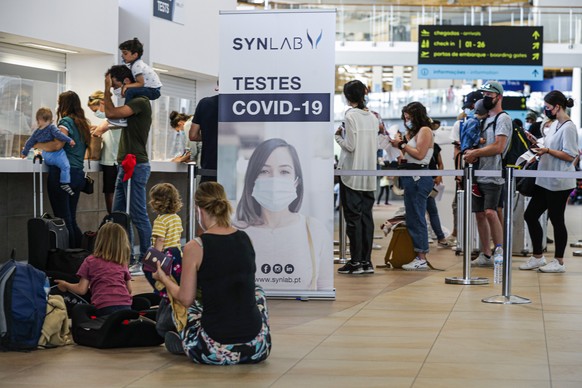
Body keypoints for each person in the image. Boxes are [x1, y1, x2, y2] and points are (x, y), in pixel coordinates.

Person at [152, 182, 271, 364]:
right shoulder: (245, 239)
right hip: (257, 347)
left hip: (214, 350)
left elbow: (186, 298)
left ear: (199, 210)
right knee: (258, 291)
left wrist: (163, 279)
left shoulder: (196, 246)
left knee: (187, 302)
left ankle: (184, 340)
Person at [235, 138, 332, 290]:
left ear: (296, 181)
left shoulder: (314, 230)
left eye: (284, 171)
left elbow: (324, 290)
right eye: (264, 171)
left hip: (300, 312)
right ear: (252, 179)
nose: (274, 179)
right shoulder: (235, 231)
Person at [97, 65, 153, 275]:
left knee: (138, 214)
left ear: (127, 82)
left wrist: (105, 88)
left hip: (136, 165)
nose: (114, 90)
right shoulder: (132, 104)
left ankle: (146, 260)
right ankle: (126, 258)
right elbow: (111, 118)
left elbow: (110, 111)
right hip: (124, 164)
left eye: (115, 85)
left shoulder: (140, 102)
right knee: (120, 215)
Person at [520, 91, 578, 273]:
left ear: (557, 107)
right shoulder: (554, 125)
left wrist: (547, 151)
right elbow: (549, 144)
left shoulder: (569, 127)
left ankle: (559, 261)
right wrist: (537, 145)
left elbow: (570, 155)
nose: (546, 110)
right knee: (530, 215)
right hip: (545, 179)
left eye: (547, 107)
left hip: (559, 181)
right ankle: (538, 257)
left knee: (556, 219)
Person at [33, 91, 90, 248]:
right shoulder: (83, 123)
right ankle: (80, 255)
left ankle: (69, 259)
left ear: (64, 104)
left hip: (63, 174)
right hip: (78, 174)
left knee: (63, 220)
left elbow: (58, 144)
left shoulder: (66, 121)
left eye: (60, 103)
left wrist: (38, 145)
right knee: (71, 218)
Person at [463, 81, 510, 267]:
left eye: (489, 94)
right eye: (484, 94)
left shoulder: (503, 119)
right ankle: (486, 254)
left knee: (491, 212)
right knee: (480, 214)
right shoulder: (485, 118)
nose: (486, 98)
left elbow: (499, 146)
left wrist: (476, 153)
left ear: (498, 96)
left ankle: (500, 253)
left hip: (493, 173)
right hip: (478, 173)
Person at [335, 80, 378, 275]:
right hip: (368, 175)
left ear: (348, 96)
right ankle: (366, 262)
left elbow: (350, 146)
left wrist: (337, 137)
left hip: (351, 173)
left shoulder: (350, 115)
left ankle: (355, 262)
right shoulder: (372, 117)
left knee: (353, 219)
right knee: (366, 218)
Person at [388, 102, 434, 270]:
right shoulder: (414, 133)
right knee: (413, 215)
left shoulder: (425, 131)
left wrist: (401, 145)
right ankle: (418, 254)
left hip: (419, 177)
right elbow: (410, 156)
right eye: (405, 118)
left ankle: (421, 256)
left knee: (417, 215)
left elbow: (420, 155)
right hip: (410, 176)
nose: (407, 121)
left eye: (409, 117)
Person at [54, 223, 133, 317]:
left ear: (100, 240)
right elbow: (129, 290)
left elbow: (81, 289)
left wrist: (65, 285)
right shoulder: (122, 262)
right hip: (126, 306)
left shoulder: (90, 261)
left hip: (103, 307)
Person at [21, 107, 76, 195]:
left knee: (65, 166)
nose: (42, 122)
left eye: (47, 120)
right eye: (41, 120)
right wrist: (24, 153)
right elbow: (29, 142)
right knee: (65, 166)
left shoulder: (47, 129)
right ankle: (64, 183)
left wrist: (69, 140)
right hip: (48, 153)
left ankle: (64, 183)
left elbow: (59, 135)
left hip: (51, 153)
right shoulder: (42, 131)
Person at [87, 91, 121, 214]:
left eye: (95, 110)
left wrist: (93, 131)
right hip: (110, 159)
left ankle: (114, 219)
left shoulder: (115, 115)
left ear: (102, 103)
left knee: (110, 193)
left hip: (112, 161)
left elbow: (99, 132)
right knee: (110, 192)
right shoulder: (112, 117)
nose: (95, 113)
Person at [146, 182, 184, 290]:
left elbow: (160, 239)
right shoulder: (176, 218)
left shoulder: (160, 220)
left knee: (157, 280)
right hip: (177, 254)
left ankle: (159, 295)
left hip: (164, 256)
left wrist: (155, 259)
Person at [427, 119, 449, 248]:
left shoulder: (435, 147)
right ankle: (435, 236)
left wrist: (439, 175)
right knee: (426, 210)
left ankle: (440, 237)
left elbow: (440, 163)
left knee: (432, 209)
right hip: (422, 180)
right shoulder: (416, 143)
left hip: (431, 181)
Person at [118, 37, 162, 102]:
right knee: (129, 90)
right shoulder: (135, 64)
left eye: (125, 53)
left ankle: (127, 110)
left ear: (135, 55)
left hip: (153, 90)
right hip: (151, 89)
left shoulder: (136, 66)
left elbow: (141, 83)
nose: (122, 56)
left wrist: (126, 86)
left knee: (130, 92)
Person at [189, 92, 218, 182]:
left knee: (207, 194)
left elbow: (193, 135)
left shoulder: (205, 103)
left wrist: (209, 135)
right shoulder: (243, 103)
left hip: (209, 167)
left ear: (217, 87)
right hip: (235, 168)